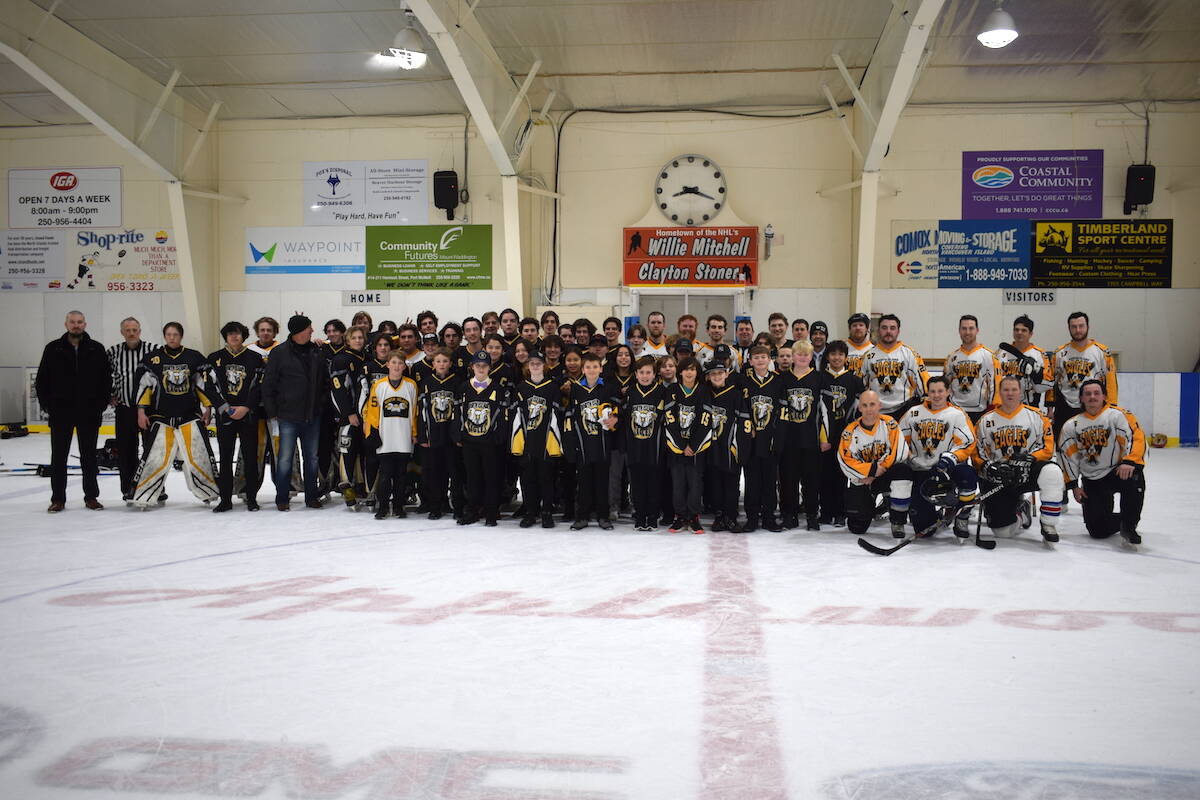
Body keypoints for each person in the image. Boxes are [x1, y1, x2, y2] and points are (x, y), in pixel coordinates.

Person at [131, 322, 221, 509]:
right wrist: (141, 411)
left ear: (181, 336)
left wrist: (208, 408)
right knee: (155, 458)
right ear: (164, 336)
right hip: (161, 418)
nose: (172, 338)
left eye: (175, 334)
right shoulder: (152, 359)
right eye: (168, 334)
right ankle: (143, 496)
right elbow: (144, 387)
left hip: (189, 416)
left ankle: (208, 492)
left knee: (199, 455)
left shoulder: (194, 357)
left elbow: (202, 385)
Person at [36, 310, 112, 512]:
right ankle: (58, 499)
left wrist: (100, 404)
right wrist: (49, 406)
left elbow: (106, 380)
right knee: (58, 457)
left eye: (79, 322)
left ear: (84, 324)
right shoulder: (53, 348)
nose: (76, 325)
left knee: (89, 457)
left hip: (89, 412)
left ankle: (91, 497)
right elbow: (42, 380)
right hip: (61, 413)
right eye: (72, 322)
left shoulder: (96, 348)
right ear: (66, 324)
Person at [974, 375, 1063, 544]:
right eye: (1006, 390)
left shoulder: (1037, 417)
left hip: (1027, 472)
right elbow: (977, 453)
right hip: (1000, 477)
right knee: (1002, 532)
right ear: (999, 392)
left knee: (1052, 471)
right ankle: (1022, 510)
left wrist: (1030, 458)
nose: (1010, 393)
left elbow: (1047, 448)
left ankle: (1048, 524)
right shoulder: (985, 421)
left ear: (1020, 392)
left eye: (1014, 389)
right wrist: (989, 467)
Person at [1058, 379, 1147, 545]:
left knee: (1134, 476)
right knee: (1097, 530)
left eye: (1096, 393)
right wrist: (1074, 485)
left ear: (1104, 396)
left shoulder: (1117, 415)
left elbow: (1135, 438)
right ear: (1081, 398)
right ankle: (1122, 519)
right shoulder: (1071, 425)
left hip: (1118, 471)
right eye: (1087, 394)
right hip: (1092, 479)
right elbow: (1068, 456)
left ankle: (1129, 525)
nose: (1092, 397)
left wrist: (1130, 462)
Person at [894, 375, 979, 539]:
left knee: (967, 474)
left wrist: (950, 458)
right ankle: (936, 516)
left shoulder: (956, 414)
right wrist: (910, 457)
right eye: (932, 391)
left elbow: (968, 442)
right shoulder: (913, 413)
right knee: (924, 530)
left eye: (940, 391)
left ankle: (961, 516)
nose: (936, 395)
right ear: (927, 392)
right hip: (921, 471)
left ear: (948, 392)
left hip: (947, 470)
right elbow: (899, 441)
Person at [261, 314, 331, 511]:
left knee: (312, 459)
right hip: (287, 417)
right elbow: (268, 384)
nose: (312, 331)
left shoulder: (317, 351)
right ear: (299, 331)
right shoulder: (279, 353)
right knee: (285, 459)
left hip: (313, 416)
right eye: (309, 328)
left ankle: (311, 496)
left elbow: (325, 382)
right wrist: (272, 412)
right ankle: (282, 498)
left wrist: (320, 405)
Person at [836, 390, 909, 537]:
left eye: (872, 404)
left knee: (903, 470)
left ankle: (898, 520)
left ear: (879, 405)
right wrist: (871, 470)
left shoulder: (889, 423)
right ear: (859, 408)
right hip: (863, 480)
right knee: (857, 528)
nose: (869, 409)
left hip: (884, 475)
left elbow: (899, 451)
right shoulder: (850, 431)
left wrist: (877, 471)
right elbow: (845, 461)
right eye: (865, 405)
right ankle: (874, 505)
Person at [208, 321, 264, 512]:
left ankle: (251, 498)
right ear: (225, 336)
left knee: (250, 458)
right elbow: (209, 387)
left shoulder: (255, 358)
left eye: (237, 333)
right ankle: (225, 500)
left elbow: (259, 387)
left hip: (248, 415)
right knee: (225, 458)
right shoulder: (215, 358)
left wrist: (246, 407)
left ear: (243, 336)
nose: (234, 336)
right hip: (225, 416)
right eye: (230, 333)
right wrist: (225, 408)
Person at [777, 341, 831, 530]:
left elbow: (825, 411)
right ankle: (789, 515)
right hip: (789, 439)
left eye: (806, 354)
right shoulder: (783, 379)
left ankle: (811, 515)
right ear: (793, 356)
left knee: (811, 480)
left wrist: (825, 437)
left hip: (811, 439)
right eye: (798, 354)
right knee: (788, 479)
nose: (802, 357)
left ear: (811, 357)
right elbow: (779, 411)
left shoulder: (819, 378)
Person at [564, 352, 619, 530]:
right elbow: (571, 416)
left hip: (602, 443)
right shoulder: (576, 389)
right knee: (584, 483)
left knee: (602, 482)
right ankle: (582, 516)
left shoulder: (608, 388)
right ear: (583, 369)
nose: (592, 370)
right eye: (588, 367)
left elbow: (618, 408)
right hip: (583, 444)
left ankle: (603, 516)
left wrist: (615, 417)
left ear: (601, 368)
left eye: (595, 367)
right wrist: (571, 442)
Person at [361, 352, 419, 520]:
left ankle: (399, 506)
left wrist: (414, 433)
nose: (396, 366)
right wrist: (372, 432)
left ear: (404, 366)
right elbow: (372, 412)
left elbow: (414, 412)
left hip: (403, 437)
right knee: (385, 474)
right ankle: (383, 507)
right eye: (393, 362)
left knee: (401, 475)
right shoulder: (379, 385)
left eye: (400, 363)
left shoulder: (411, 385)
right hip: (385, 437)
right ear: (387, 364)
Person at [510, 350, 564, 528]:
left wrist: (554, 442)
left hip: (546, 440)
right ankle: (530, 512)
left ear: (544, 366)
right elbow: (516, 417)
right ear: (527, 366)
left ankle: (546, 511)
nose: (535, 366)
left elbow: (556, 416)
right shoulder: (521, 388)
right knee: (527, 479)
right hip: (527, 441)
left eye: (538, 363)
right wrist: (518, 442)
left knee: (547, 478)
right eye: (532, 363)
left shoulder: (552, 387)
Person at [455, 350, 508, 526]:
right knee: (472, 477)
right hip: (469, 441)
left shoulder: (497, 388)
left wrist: (499, 436)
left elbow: (503, 415)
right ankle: (472, 511)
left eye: (484, 366)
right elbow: (458, 413)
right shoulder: (464, 387)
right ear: (472, 367)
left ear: (489, 368)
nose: (481, 368)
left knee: (491, 477)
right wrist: (458, 434)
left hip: (489, 442)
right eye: (478, 365)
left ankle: (491, 512)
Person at [106, 316, 154, 501]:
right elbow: (102, 375)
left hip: (150, 410)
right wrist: (109, 394)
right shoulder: (113, 352)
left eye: (135, 330)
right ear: (122, 332)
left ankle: (155, 488)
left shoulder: (153, 350)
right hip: (125, 409)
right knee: (126, 451)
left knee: (152, 450)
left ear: (140, 331)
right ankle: (128, 488)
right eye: (128, 330)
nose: (131, 333)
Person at [1050, 311, 1118, 441]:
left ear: (1088, 326)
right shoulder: (1059, 353)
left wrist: (1112, 408)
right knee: (1062, 443)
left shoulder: (1102, 352)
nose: (1078, 330)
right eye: (1074, 327)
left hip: (1092, 404)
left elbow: (1111, 382)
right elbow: (1052, 382)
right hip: (1064, 406)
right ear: (1069, 328)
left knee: (1088, 443)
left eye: (1081, 326)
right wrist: (1050, 408)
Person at [819, 339, 863, 526]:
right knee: (824, 474)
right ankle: (825, 512)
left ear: (846, 357)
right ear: (827, 357)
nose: (836, 358)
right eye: (833, 354)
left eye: (840, 354)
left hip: (845, 435)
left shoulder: (855, 380)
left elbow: (860, 411)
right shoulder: (820, 378)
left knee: (841, 474)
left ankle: (840, 512)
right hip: (824, 435)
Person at [664, 356, 710, 534]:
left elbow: (705, 419)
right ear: (680, 372)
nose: (689, 372)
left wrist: (694, 445)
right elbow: (670, 419)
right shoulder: (672, 390)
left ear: (697, 372)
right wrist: (682, 445)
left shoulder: (703, 391)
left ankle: (693, 517)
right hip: (677, 446)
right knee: (678, 483)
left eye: (693, 369)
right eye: (686, 369)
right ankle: (680, 516)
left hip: (697, 448)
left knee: (695, 483)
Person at [742, 344, 785, 532]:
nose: (760, 360)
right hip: (751, 440)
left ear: (770, 360)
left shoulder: (778, 381)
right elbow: (742, 409)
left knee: (769, 481)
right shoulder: (744, 382)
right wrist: (748, 427)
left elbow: (782, 410)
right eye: (756, 357)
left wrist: (777, 434)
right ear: (750, 361)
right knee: (752, 481)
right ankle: (752, 518)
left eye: (763, 357)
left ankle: (769, 517)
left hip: (770, 439)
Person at [625, 355, 670, 531]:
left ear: (654, 374)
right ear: (636, 374)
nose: (645, 376)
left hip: (654, 448)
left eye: (648, 372)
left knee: (654, 483)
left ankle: (652, 516)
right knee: (637, 484)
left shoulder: (662, 392)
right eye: (642, 372)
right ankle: (640, 515)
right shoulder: (630, 392)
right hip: (635, 446)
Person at [416, 348, 462, 520]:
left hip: (451, 436)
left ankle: (456, 507)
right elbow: (421, 411)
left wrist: (458, 435)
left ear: (450, 363)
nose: (442, 364)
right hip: (433, 435)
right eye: (438, 361)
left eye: (445, 361)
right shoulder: (427, 383)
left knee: (454, 473)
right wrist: (423, 435)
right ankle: (436, 506)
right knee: (435, 473)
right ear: (433, 364)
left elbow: (460, 411)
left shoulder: (457, 382)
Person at [702, 358, 747, 532]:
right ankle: (719, 516)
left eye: (720, 373)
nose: (717, 376)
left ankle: (731, 516)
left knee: (731, 483)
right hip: (710, 447)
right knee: (715, 484)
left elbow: (744, 421)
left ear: (727, 374)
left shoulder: (735, 394)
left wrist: (740, 447)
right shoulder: (704, 393)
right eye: (713, 373)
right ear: (708, 376)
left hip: (729, 447)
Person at [329, 325, 368, 507]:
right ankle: (347, 488)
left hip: (366, 416)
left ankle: (361, 486)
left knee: (362, 452)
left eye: (360, 337)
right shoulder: (340, 359)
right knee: (347, 451)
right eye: (354, 338)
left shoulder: (367, 358)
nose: (358, 341)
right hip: (349, 416)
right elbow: (337, 389)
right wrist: (348, 413)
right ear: (347, 340)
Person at [860, 314, 928, 417]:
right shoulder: (868, 356)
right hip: (875, 411)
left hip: (904, 410)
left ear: (898, 331)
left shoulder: (909, 354)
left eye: (892, 328)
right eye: (884, 328)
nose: (888, 331)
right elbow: (860, 386)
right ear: (878, 331)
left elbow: (922, 383)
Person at [944, 315, 999, 424]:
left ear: (977, 330)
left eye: (971, 328)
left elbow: (995, 385)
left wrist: (993, 410)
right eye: (964, 328)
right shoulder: (952, 357)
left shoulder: (989, 356)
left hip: (980, 412)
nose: (967, 332)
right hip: (955, 411)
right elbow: (945, 385)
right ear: (959, 331)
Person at [998, 315, 1053, 410]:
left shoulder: (1039, 354)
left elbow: (1048, 384)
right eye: (1016, 330)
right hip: (1005, 405)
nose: (1019, 333)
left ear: (1030, 334)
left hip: (1030, 405)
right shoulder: (1001, 353)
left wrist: (1036, 371)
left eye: (1024, 330)